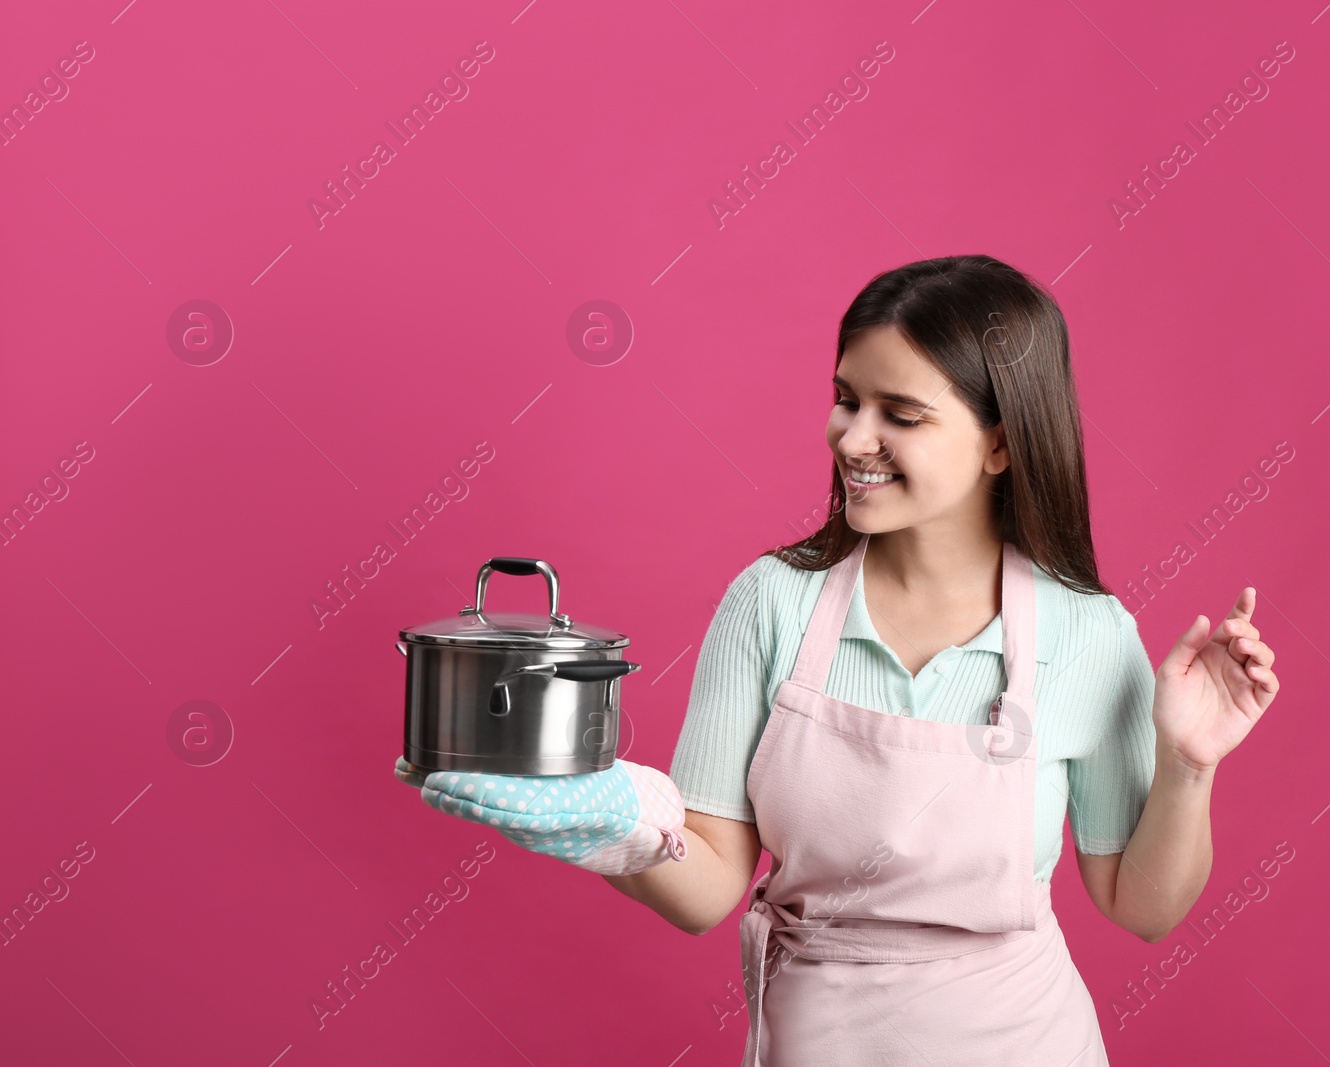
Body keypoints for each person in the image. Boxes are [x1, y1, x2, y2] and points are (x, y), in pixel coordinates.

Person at [398, 254, 1280, 1065]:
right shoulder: (770, 601)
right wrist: (609, 825)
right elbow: (707, 891)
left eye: (900, 414)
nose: (852, 437)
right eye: (847, 398)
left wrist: (1188, 763)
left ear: (1002, 443)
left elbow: (1144, 908)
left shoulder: (1087, 633)